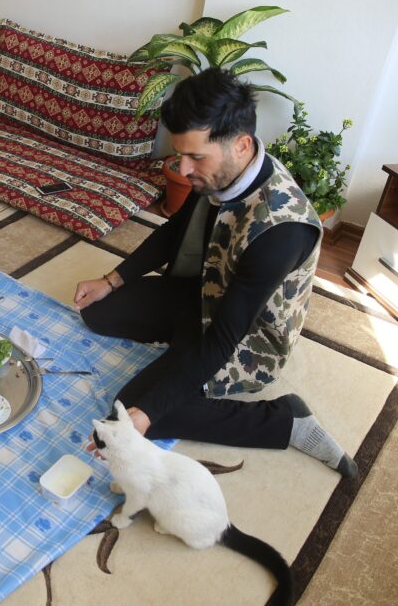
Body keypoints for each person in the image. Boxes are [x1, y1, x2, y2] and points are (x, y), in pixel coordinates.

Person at [75, 68, 357, 478]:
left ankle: (285, 420)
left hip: (246, 337)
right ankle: (183, 355)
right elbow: (176, 229)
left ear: (241, 144)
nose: (183, 169)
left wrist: (150, 409)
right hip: (202, 292)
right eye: (180, 154)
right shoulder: (221, 169)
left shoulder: (281, 228)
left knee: (133, 411)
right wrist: (111, 280)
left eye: (195, 157)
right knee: (98, 312)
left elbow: (225, 337)